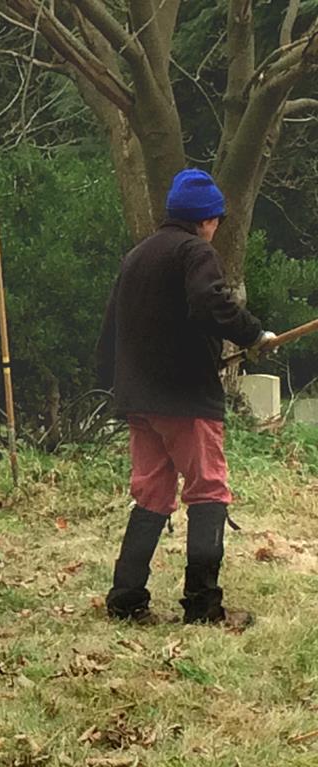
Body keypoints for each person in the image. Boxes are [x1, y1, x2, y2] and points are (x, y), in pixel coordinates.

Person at [96, 168, 275, 626]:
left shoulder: (136, 256)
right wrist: (253, 333)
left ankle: (126, 599)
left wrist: (117, 381)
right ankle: (202, 606)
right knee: (208, 491)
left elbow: (112, 326)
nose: (216, 227)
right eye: (216, 219)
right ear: (207, 219)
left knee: (152, 495)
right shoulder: (196, 251)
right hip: (185, 397)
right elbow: (209, 301)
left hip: (140, 397)